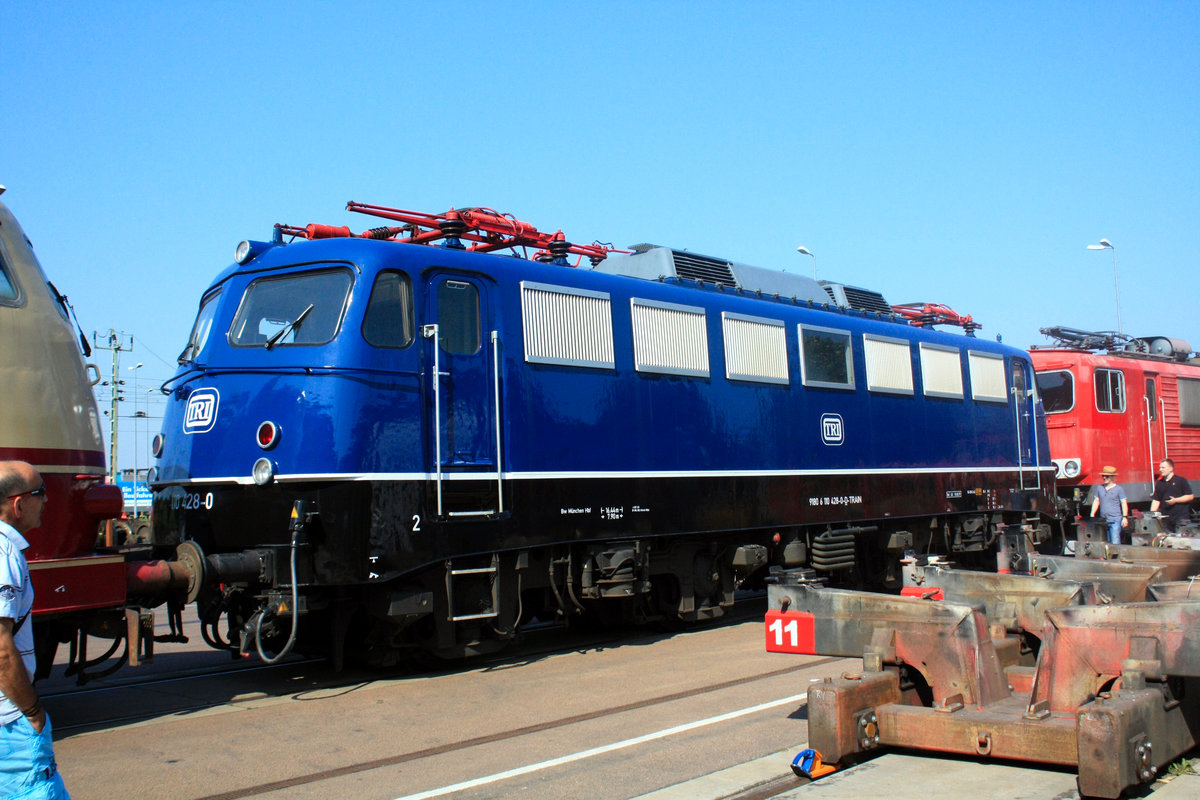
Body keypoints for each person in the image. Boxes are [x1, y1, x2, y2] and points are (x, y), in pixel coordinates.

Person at [0, 461, 69, 799]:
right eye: (40, 493)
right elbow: (0, 650)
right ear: (18, 504)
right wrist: (33, 712)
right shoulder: (4, 554)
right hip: (8, 720)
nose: (46, 501)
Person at [1151, 458, 1195, 533]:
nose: (1160, 470)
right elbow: (1156, 500)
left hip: (1181, 519)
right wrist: (1152, 514)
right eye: (1160, 468)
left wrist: (1175, 500)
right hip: (1166, 519)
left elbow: (1190, 496)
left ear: (1171, 469)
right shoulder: (1159, 483)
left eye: (1163, 467)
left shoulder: (1181, 480)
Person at [1089, 465, 1128, 545]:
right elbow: (1096, 501)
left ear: (1113, 477)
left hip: (1115, 520)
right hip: (1103, 521)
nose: (1104, 478)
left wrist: (1125, 517)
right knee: (1106, 543)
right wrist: (1092, 514)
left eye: (1107, 476)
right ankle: (1108, 557)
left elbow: (1124, 503)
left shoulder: (1119, 489)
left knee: (1115, 542)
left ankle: (1116, 557)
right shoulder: (1100, 488)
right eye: (1103, 476)